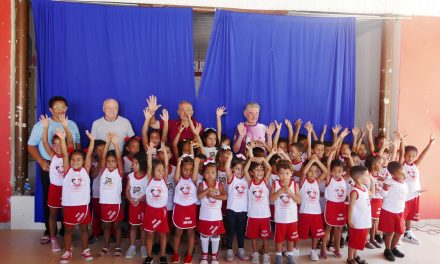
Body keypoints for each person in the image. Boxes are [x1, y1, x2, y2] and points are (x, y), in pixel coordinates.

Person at [28, 96, 81, 245]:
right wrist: (41, 161)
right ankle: (49, 230)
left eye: (62, 107)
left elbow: (75, 144)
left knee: (69, 198)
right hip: (49, 166)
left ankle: (66, 228)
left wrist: (76, 164)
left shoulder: (71, 124)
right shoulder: (41, 125)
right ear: (51, 110)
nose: (60, 110)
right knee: (49, 199)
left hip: (69, 167)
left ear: (66, 109)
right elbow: (32, 145)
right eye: (56, 108)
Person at [58, 130, 94, 264]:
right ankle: (67, 251)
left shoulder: (86, 169)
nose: (75, 162)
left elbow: (89, 153)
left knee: (84, 229)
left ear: (84, 161)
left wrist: (92, 140)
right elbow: (65, 156)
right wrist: (63, 140)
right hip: (69, 206)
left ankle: (85, 251)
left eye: (78, 159)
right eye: (73, 160)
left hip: (83, 205)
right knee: (68, 230)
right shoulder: (67, 170)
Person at [40, 114, 74, 252]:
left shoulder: (69, 154)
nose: (58, 147)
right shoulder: (52, 155)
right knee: (53, 215)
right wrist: (46, 127)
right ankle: (53, 239)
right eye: (56, 144)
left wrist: (66, 127)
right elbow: (44, 142)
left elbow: (71, 141)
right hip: (54, 189)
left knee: (67, 216)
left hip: (67, 190)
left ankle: (67, 240)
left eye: (61, 143)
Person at [401, 135, 436, 244]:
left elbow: (422, 155)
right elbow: (401, 152)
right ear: (404, 156)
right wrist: (402, 141)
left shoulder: (415, 165)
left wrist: (430, 143)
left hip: (415, 195)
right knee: (401, 215)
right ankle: (398, 233)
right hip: (405, 197)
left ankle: (408, 232)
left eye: (413, 156)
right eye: (408, 155)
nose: (410, 158)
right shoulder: (402, 166)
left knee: (410, 215)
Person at [97, 133, 124, 258]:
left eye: (113, 162)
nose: (111, 163)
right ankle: (106, 246)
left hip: (116, 204)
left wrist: (116, 143)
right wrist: (108, 142)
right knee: (106, 227)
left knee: (117, 226)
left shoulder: (119, 172)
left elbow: (119, 159)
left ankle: (118, 246)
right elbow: (102, 158)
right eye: (109, 161)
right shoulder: (104, 171)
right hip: (105, 204)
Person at [142, 142, 170, 264]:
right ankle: (149, 257)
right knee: (150, 235)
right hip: (150, 211)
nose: (161, 172)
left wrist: (163, 151)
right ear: (153, 171)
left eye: (162, 170)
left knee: (163, 235)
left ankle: (163, 256)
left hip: (161, 211)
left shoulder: (164, 179)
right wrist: (150, 152)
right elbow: (149, 166)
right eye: (159, 170)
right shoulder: (150, 179)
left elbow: (167, 163)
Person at [244, 149, 273, 264]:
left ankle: (266, 254)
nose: (261, 172)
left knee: (265, 237)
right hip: (252, 215)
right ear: (252, 173)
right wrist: (250, 160)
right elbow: (245, 170)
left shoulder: (264, 181)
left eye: (261, 170)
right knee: (254, 236)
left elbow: (269, 169)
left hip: (265, 215)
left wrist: (263, 160)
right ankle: (255, 253)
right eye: (257, 170)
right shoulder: (250, 182)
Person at [270, 160, 301, 264]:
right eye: (281, 173)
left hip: (292, 218)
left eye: (287, 173)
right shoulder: (275, 184)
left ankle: (289, 255)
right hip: (280, 218)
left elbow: (299, 200)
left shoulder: (294, 185)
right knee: (279, 238)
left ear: (291, 173)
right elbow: (271, 199)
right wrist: (280, 191)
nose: (284, 176)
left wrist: (290, 193)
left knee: (291, 238)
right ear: (278, 173)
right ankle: (278, 255)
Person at [196, 158, 227, 264]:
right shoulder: (202, 185)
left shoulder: (219, 184)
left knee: (215, 236)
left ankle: (214, 256)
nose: (210, 175)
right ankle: (205, 255)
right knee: (204, 235)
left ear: (216, 173)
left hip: (216, 217)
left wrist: (213, 195)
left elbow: (224, 197)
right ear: (203, 174)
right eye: (207, 172)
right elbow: (200, 196)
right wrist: (208, 190)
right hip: (205, 216)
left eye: (213, 172)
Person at [298, 155, 328, 261]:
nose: (313, 174)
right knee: (301, 233)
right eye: (310, 171)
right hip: (305, 212)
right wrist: (311, 161)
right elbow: (303, 172)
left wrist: (317, 161)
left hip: (316, 212)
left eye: (315, 172)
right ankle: (295, 249)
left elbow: (325, 172)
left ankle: (313, 250)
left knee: (316, 233)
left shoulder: (317, 181)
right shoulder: (303, 181)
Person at [378, 161, 409, 262]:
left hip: (399, 211)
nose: (403, 174)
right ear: (393, 174)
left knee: (400, 231)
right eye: (400, 172)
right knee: (390, 232)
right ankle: (387, 250)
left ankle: (393, 247)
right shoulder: (389, 182)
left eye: (402, 171)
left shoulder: (404, 183)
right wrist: (385, 188)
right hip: (389, 211)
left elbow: (405, 195)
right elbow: (383, 195)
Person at [171, 156, 198, 264]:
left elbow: (194, 172)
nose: (188, 172)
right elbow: (176, 175)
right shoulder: (178, 180)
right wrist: (178, 162)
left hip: (190, 209)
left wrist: (195, 164)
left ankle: (189, 255)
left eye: (190, 170)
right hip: (179, 209)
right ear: (181, 168)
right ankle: (175, 253)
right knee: (178, 233)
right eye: (185, 169)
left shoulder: (193, 180)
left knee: (191, 233)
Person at [224, 152, 249, 262]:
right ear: (233, 169)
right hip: (231, 210)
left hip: (243, 211)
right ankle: (229, 250)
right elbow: (226, 167)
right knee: (230, 231)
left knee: (241, 231)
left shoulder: (247, 179)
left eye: (242, 169)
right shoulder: (232, 177)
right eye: (237, 169)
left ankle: (240, 249)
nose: (240, 171)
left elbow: (248, 168)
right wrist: (230, 158)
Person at [347, 166, 372, 264]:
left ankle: (355, 255)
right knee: (354, 240)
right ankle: (349, 258)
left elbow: (372, 193)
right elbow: (351, 206)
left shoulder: (364, 188)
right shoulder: (355, 191)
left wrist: (373, 182)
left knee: (359, 240)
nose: (369, 176)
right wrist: (349, 220)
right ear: (359, 179)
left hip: (364, 220)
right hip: (357, 221)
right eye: (367, 175)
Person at [125, 152, 148, 259]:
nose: (133, 165)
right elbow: (127, 190)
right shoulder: (130, 176)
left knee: (143, 227)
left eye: (135, 163)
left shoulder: (147, 177)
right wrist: (131, 200)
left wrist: (140, 199)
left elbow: (149, 192)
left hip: (143, 205)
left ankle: (143, 246)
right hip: (133, 205)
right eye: (133, 163)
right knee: (133, 227)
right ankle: (132, 246)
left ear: (142, 164)